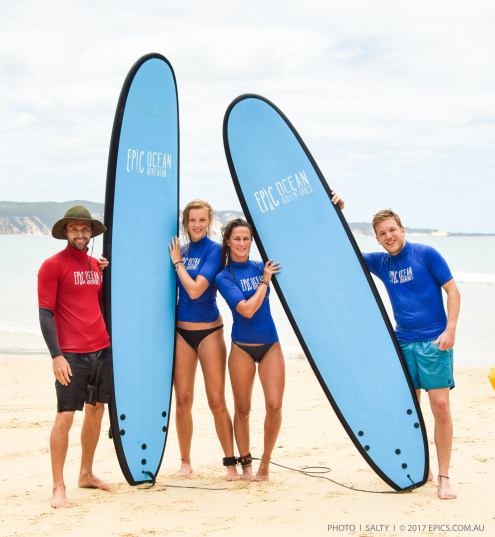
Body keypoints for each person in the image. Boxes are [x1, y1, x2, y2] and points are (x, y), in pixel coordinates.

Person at [360, 209, 460, 500]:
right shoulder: (380, 262)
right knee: (410, 410)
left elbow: (453, 292)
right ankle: (421, 467)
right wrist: (337, 210)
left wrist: (450, 329)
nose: (388, 236)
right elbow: (343, 249)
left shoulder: (426, 254)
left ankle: (443, 476)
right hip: (402, 343)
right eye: (382, 233)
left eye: (392, 230)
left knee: (440, 406)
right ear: (377, 239)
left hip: (434, 342)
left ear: (402, 230)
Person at [37, 205, 112, 509]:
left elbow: (94, 304)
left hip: (101, 349)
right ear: (65, 232)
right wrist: (56, 356)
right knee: (65, 416)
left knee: (96, 411)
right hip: (70, 355)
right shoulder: (52, 265)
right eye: (74, 229)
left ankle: (86, 473)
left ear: (91, 232)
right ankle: (58, 486)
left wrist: (100, 267)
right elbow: (45, 313)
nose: (80, 234)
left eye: (85, 229)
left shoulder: (96, 265)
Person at [168, 200, 238, 480]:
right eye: (192, 220)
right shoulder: (181, 250)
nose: (196, 225)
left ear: (209, 221)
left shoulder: (216, 251)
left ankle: (231, 463)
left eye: (202, 220)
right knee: (182, 401)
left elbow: (196, 290)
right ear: (186, 223)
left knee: (216, 401)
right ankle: (185, 461)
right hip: (182, 333)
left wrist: (177, 264)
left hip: (210, 331)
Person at [215, 219, 284, 482]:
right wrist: (265, 281)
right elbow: (245, 309)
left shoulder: (261, 266)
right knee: (242, 409)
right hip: (241, 347)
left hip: (271, 345)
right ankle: (246, 465)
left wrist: (332, 204)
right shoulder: (224, 276)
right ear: (228, 242)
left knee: (275, 406)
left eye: (246, 239)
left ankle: (265, 463)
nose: (242, 243)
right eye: (237, 239)